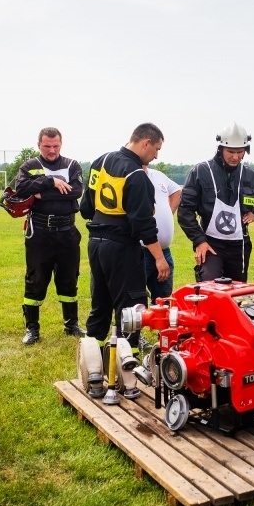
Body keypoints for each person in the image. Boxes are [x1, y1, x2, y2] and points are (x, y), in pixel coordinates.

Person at [80, 123, 169, 363]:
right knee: (132, 310)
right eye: (156, 149)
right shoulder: (137, 176)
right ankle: (128, 371)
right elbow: (143, 224)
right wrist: (160, 258)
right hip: (121, 247)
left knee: (100, 305)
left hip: (96, 244)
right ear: (145, 143)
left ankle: (93, 364)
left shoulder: (100, 161)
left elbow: (85, 207)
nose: (156, 155)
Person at [177, 122, 254, 282]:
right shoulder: (200, 172)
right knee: (210, 287)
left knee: (237, 291)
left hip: (239, 246)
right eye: (230, 151)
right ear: (220, 148)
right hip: (210, 244)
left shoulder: (250, 176)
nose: (235, 157)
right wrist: (199, 241)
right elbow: (185, 211)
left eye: (240, 152)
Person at [15, 127, 85, 345]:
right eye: (47, 146)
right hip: (39, 233)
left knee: (69, 279)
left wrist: (39, 194)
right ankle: (32, 329)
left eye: (55, 146)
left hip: (67, 232)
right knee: (36, 279)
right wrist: (51, 182)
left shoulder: (72, 165)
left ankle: (71, 324)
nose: (52, 150)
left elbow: (76, 191)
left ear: (61, 144)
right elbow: (20, 189)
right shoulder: (30, 166)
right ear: (39, 145)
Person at [142, 165, 181, 302]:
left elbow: (176, 190)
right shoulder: (131, 175)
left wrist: (168, 212)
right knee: (136, 300)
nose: (156, 156)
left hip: (164, 251)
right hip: (140, 252)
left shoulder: (158, 175)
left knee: (163, 302)